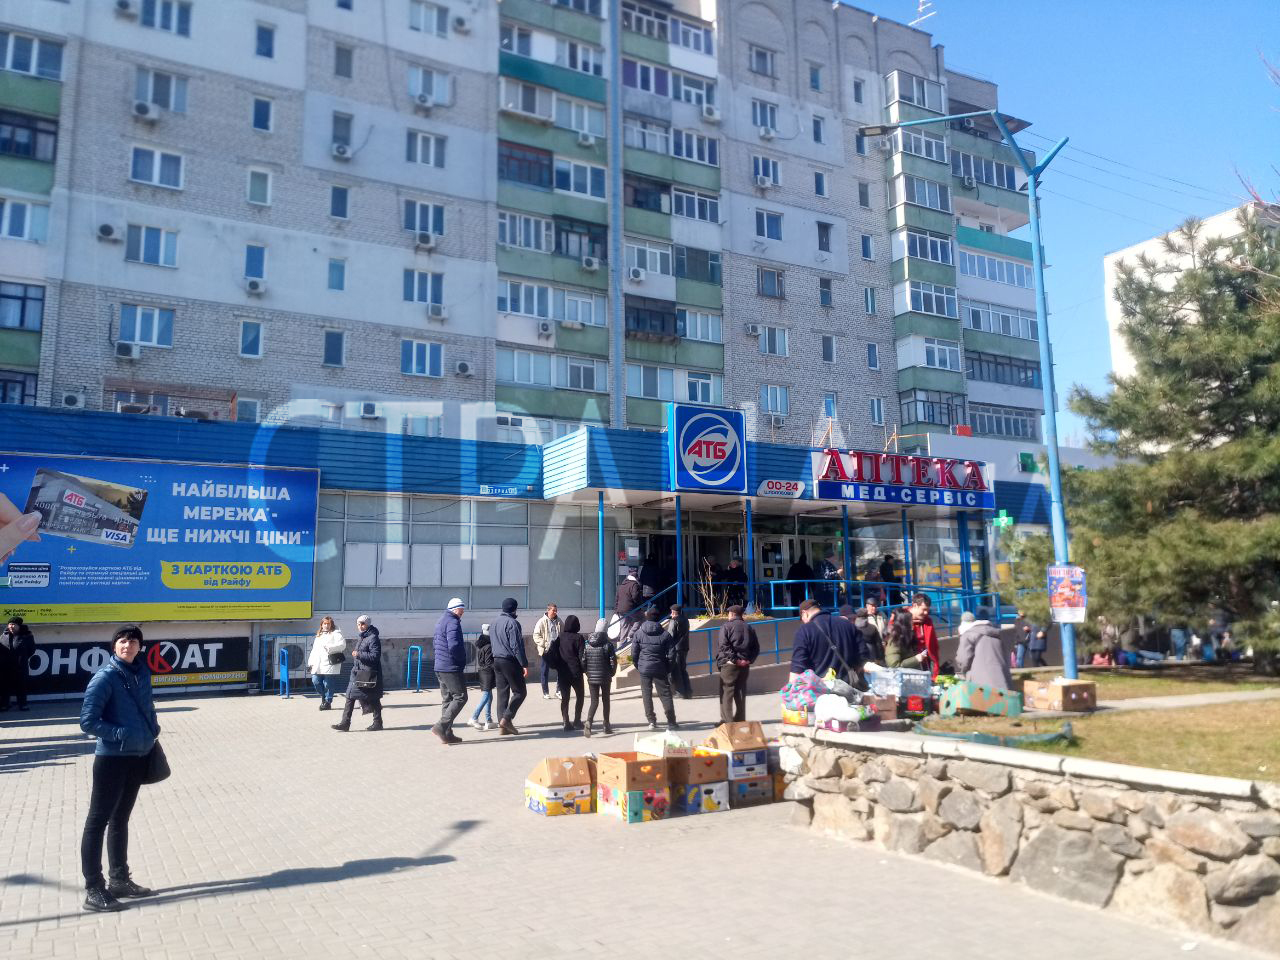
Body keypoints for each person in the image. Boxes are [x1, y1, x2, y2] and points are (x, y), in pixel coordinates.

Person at [78, 625, 160, 912]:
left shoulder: (142, 673)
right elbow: (88, 721)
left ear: (140, 647)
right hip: (112, 758)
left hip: (138, 755)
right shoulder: (105, 677)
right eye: (122, 641)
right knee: (97, 822)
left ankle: (120, 880)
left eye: (133, 641)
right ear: (114, 646)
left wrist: (152, 727)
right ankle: (93, 888)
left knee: (120, 819)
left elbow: (147, 706)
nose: (128, 645)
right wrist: (119, 734)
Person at [790, 599, 863, 685]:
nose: (803, 621)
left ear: (804, 613)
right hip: (848, 687)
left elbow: (797, 671)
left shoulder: (804, 631)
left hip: (819, 690)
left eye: (802, 618)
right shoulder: (848, 625)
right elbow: (863, 657)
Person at [333, 615, 383, 732]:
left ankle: (377, 723)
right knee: (350, 696)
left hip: (367, 673)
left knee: (373, 698)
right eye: (358, 624)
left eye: (362, 624)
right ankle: (345, 723)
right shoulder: (362, 636)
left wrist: (358, 654)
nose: (360, 626)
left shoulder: (373, 638)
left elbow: (375, 656)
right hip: (357, 671)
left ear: (368, 624)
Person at [632, 607, 677, 731]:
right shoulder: (665, 634)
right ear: (658, 618)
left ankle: (651, 721)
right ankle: (671, 721)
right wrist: (668, 668)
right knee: (665, 694)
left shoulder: (639, 633)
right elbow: (672, 654)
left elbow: (634, 653)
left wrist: (638, 666)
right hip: (660, 667)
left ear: (647, 617)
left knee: (646, 694)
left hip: (644, 668)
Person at [431, 598, 468, 745]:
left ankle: (447, 733)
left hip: (440, 665)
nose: (463, 612)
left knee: (447, 699)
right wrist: (461, 660)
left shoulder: (441, 620)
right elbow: (454, 645)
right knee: (460, 697)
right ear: (455, 609)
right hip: (450, 666)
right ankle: (441, 726)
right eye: (461, 609)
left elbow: (435, 643)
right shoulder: (453, 622)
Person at [716, 605, 759, 723]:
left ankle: (727, 722)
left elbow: (723, 645)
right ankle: (740, 719)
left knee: (726, 692)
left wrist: (735, 660)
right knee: (740, 692)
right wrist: (748, 660)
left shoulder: (726, 627)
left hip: (729, 665)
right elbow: (756, 648)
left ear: (731, 614)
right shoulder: (749, 628)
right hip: (745, 665)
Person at [492, 597, 528, 735]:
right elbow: (516, 646)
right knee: (520, 692)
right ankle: (506, 719)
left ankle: (503, 727)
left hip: (497, 660)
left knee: (502, 693)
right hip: (509, 660)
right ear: (514, 609)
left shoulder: (494, 622)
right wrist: (523, 663)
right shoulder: (513, 623)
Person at [955, 608, 1014, 692]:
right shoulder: (996, 634)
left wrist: (963, 670)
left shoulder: (968, 635)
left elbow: (963, 659)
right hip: (1002, 680)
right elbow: (1007, 656)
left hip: (980, 683)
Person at [580, 618, 617, 737]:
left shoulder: (587, 644)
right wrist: (611, 673)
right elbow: (613, 662)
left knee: (594, 701)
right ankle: (606, 725)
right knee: (606, 700)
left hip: (592, 678)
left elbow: (583, 662)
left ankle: (589, 722)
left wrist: (587, 673)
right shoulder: (608, 645)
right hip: (605, 677)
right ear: (606, 630)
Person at [306, 616, 345, 711]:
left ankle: (327, 702)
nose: (326, 625)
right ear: (322, 625)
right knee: (315, 681)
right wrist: (310, 663)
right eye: (325, 623)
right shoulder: (319, 635)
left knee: (328, 684)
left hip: (329, 662)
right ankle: (323, 697)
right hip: (317, 663)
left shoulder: (336, 633)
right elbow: (314, 650)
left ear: (331, 624)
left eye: (328, 624)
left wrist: (330, 647)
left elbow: (342, 645)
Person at [556, 615, 586, 731]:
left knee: (565, 698)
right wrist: (585, 670)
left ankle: (566, 722)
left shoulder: (560, 637)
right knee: (580, 696)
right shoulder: (579, 638)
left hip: (562, 672)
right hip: (575, 672)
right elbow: (582, 656)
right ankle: (577, 720)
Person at [2, 616, 36, 711]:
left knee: (21, 685)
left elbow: (32, 650)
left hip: (20, 666)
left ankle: (22, 704)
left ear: (19, 626)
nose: (11, 626)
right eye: (10, 624)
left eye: (13, 624)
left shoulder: (27, 636)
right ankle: (5, 704)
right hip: (6, 666)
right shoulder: (4, 635)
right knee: (5, 686)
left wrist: (22, 658)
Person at [533, 603, 563, 700]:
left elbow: (563, 633)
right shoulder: (541, 621)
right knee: (544, 671)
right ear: (548, 610)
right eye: (553, 610)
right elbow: (536, 636)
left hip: (557, 650)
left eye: (556, 610)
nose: (555, 612)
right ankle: (545, 692)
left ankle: (558, 691)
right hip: (546, 650)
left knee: (561, 670)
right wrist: (545, 644)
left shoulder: (559, 621)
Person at [469, 624, 495, 731]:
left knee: (489, 696)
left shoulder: (482, 645)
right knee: (486, 696)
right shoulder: (489, 646)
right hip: (488, 673)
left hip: (483, 672)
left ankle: (489, 720)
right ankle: (474, 717)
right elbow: (489, 663)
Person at [909, 594, 941, 679]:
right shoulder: (901, 619)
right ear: (915, 605)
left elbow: (933, 646)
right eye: (924, 609)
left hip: (925, 663)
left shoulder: (928, 621)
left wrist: (935, 670)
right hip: (909, 664)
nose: (926, 613)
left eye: (927, 610)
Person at [667, 603, 692, 699]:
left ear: (673, 612)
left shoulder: (674, 621)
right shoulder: (685, 620)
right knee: (683, 669)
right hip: (684, 647)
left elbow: (670, 635)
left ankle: (680, 692)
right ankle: (688, 691)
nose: (671, 614)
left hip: (676, 648)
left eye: (671, 612)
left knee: (676, 670)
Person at [614, 572, 644, 645]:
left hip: (620, 609)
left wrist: (616, 610)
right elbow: (635, 597)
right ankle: (630, 635)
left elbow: (617, 599)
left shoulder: (621, 586)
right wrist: (639, 606)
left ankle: (622, 644)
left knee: (624, 626)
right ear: (636, 578)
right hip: (630, 608)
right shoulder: (634, 585)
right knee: (640, 618)